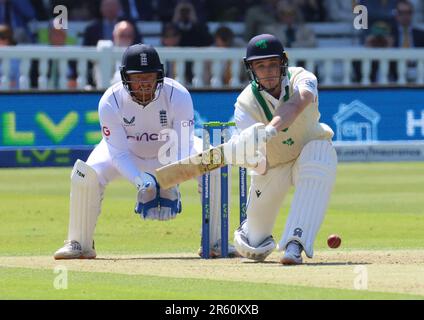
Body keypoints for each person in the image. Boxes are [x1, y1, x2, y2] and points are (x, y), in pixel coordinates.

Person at [53, 44, 196, 259]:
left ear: (160, 75)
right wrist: (140, 182)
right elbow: (118, 154)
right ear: (125, 77)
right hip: (126, 154)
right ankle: (79, 242)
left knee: (212, 165)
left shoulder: (179, 95)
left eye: (149, 76)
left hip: (170, 154)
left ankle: (215, 241)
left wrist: (170, 180)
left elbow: (184, 145)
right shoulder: (110, 101)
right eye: (137, 78)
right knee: (87, 174)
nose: (145, 84)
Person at [232, 34, 337, 265]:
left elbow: (300, 101)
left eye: (272, 64)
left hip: (310, 150)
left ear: (283, 63)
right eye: (260, 66)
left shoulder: (303, 77)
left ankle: (295, 244)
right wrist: (246, 152)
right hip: (273, 166)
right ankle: (251, 230)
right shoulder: (244, 104)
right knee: (254, 247)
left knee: (319, 156)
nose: (268, 71)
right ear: (251, 69)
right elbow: (258, 163)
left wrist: (271, 129)